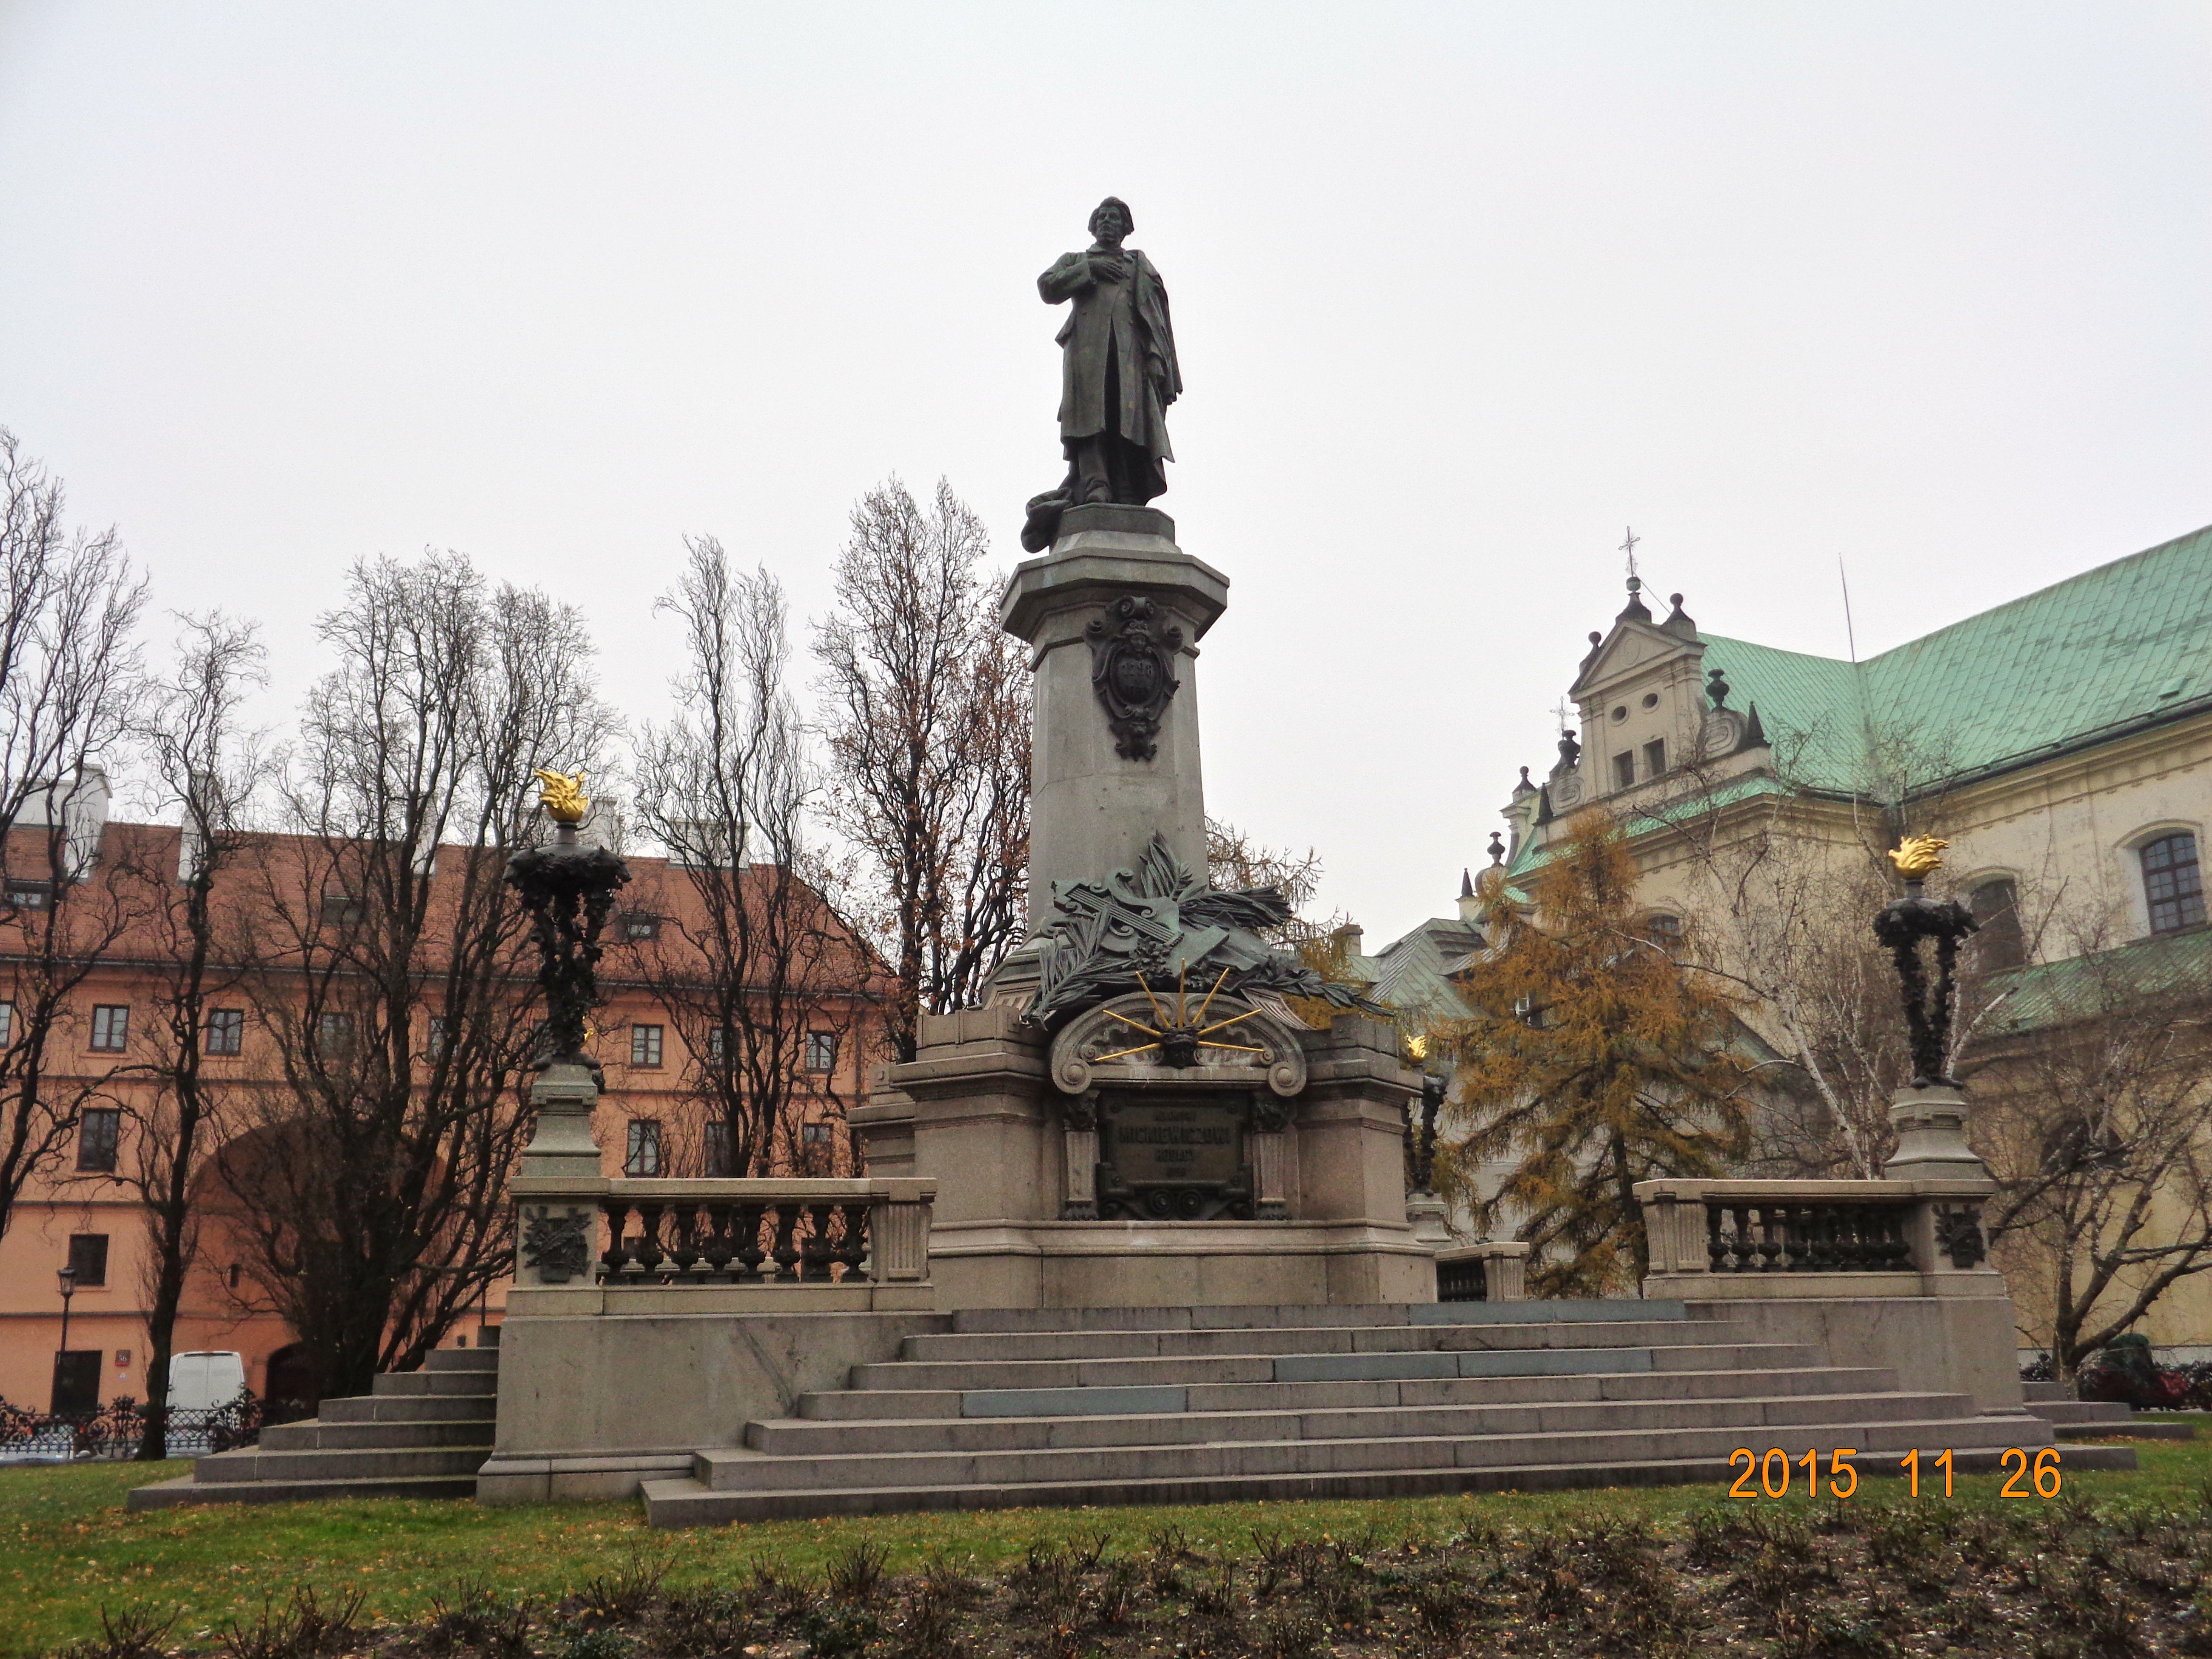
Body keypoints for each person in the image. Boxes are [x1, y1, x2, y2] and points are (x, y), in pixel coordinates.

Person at [1023, 198, 1182, 551]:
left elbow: (1156, 320)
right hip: (1087, 354)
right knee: (1091, 419)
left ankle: (1125, 486)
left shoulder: (1139, 266)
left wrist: (1157, 358)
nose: (1109, 221)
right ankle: (1096, 483)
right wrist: (1090, 273)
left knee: (1129, 419)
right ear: (1093, 227)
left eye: (1117, 217)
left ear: (1127, 229)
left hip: (1131, 358)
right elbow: (1048, 287)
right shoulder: (1077, 261)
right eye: (1103, 217)